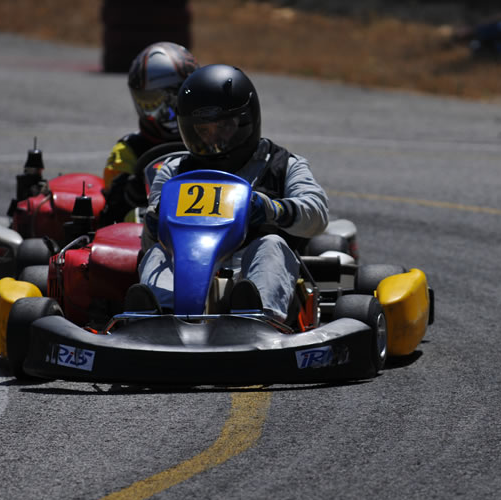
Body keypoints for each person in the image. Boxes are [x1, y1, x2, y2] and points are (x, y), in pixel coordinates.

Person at [137, 64, 329, 321]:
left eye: (223, 127)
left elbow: (317, 214)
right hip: (189, 268)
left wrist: (271, 209)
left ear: (246, 121)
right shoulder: (174, 170)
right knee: (158, 253)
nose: (213, 139)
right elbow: (149, 241)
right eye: (203, 131)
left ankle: (258, 318)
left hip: (250, 270)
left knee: (271, 244)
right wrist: (154, 223)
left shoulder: (282, 165)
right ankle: (156, 319)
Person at [100, 42, 199, 225]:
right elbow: (111, 213)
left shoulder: (210, 139)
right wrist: (131, 190)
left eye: (172, 99)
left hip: (206, 221)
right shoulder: (129, 149)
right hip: (148, 235)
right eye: (150, 101)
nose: (165, 111)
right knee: (134, 217)